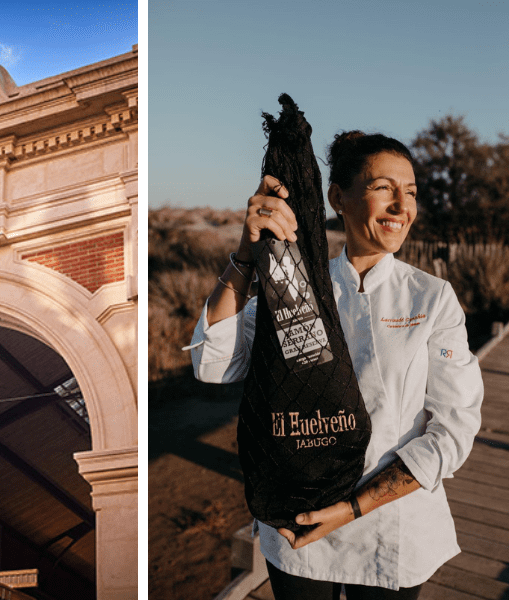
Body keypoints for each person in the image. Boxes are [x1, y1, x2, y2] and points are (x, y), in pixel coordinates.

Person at [187, 131, 484, 599]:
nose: (400, 206)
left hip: (394, 528)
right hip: (298, 528)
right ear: (337, 198)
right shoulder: (296, 286)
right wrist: (247, 254)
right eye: (383, 188)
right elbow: (212, 362)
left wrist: (352, 507)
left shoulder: (431, 297)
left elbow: (454, 427)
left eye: (409, 192)